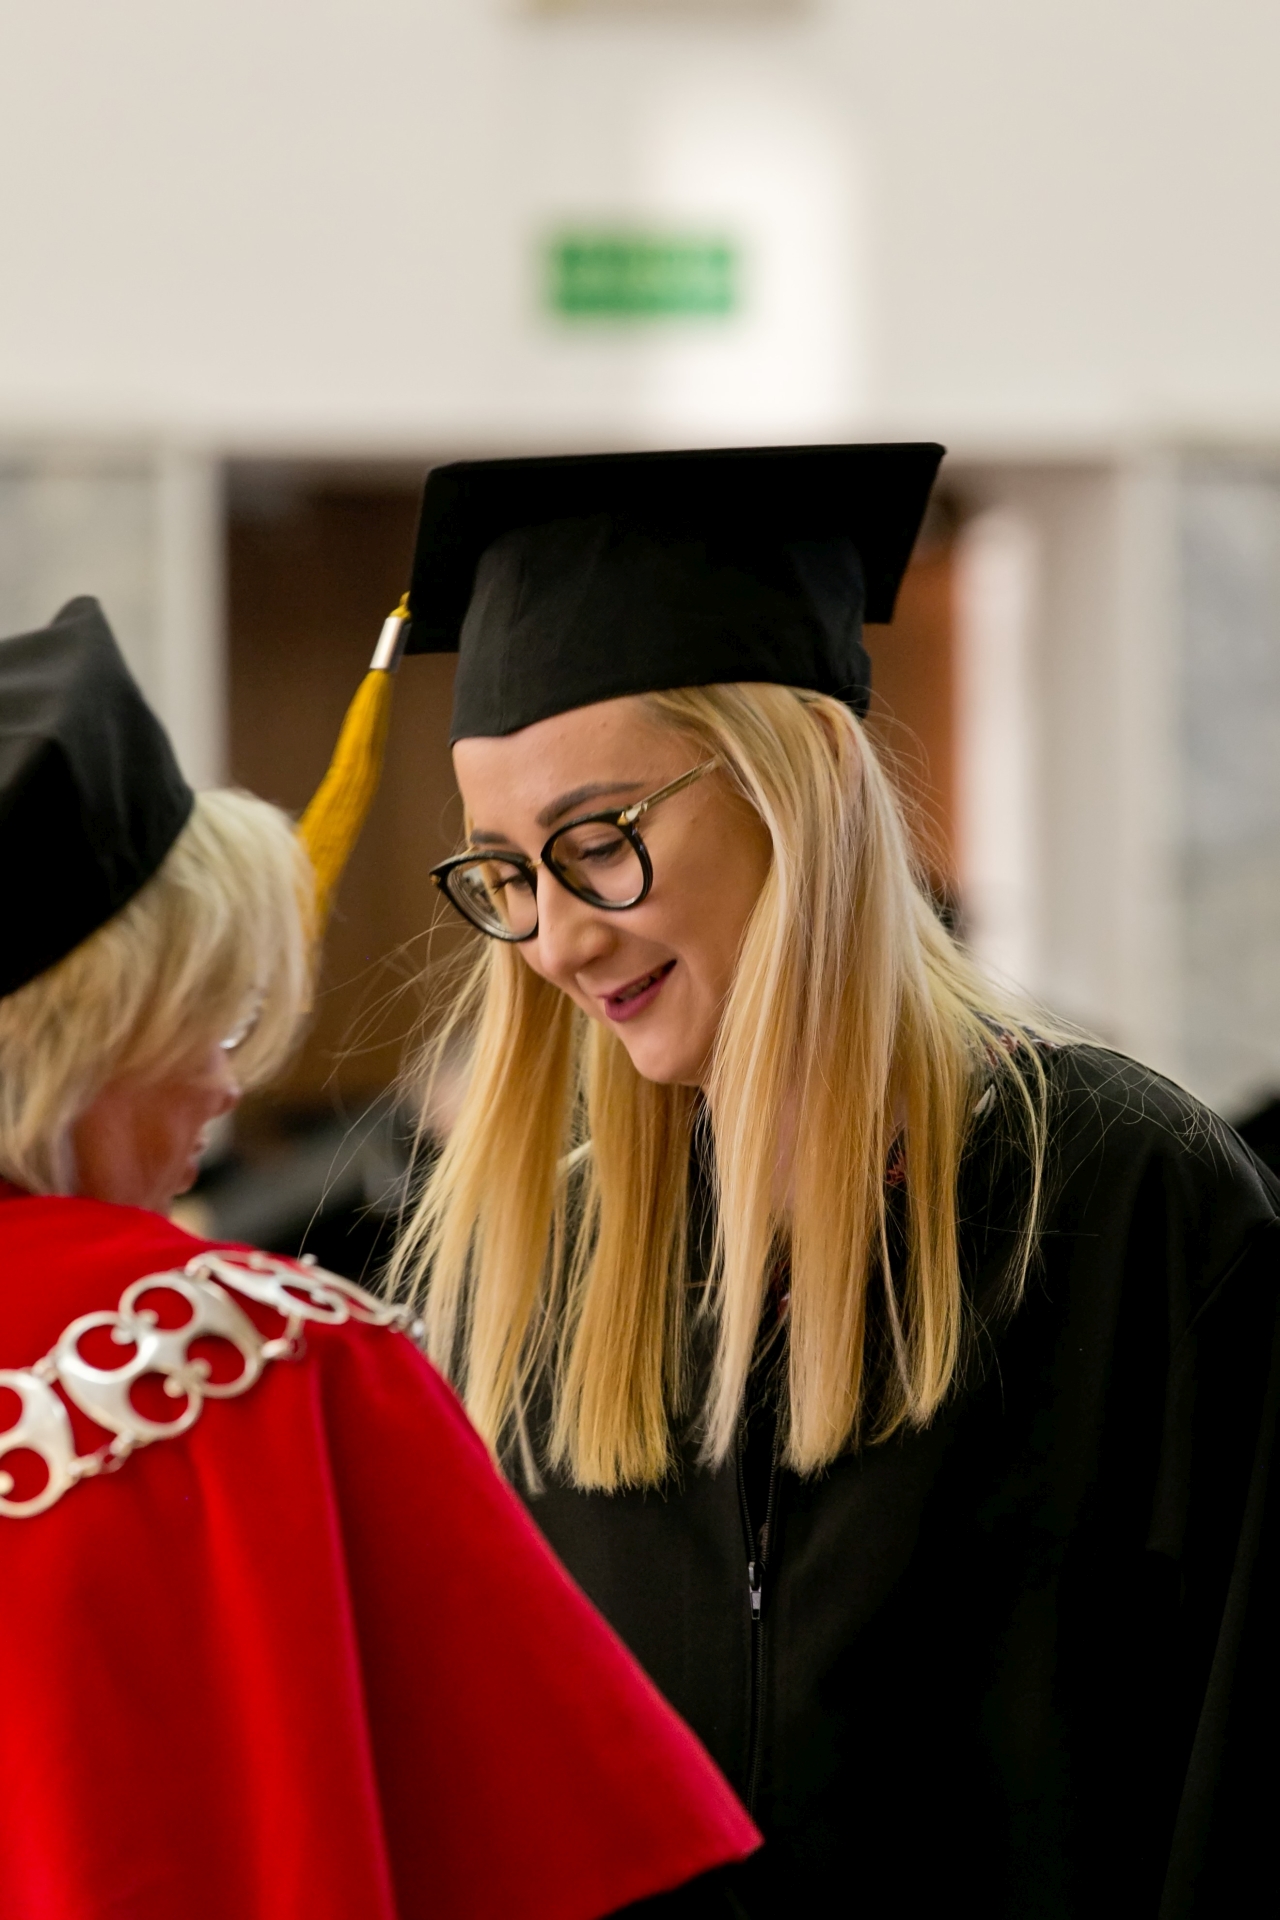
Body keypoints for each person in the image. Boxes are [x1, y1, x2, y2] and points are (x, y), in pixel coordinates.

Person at [389, 445, 1280, 1918]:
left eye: (599, 842)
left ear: (794, 785)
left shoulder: (1132, 1213)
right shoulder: (538, 1271)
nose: (556, 938)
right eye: (508, 874)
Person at [0, 596, 760, 1920]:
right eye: (210, 1021)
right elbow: (590, 1868)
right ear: (88, 1036)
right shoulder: (240, 1355)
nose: (228, 1088)